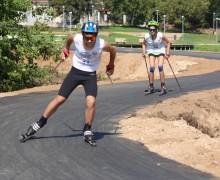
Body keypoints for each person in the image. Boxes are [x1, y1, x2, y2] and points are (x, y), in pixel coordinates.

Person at [20, 21, 116, 146]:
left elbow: (113, 50)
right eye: (87, 37)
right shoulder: (76, 38)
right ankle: (40, 122)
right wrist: (65, 49)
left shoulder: (101, 44)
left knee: (91, 101)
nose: (90, 40)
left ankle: (87, 130)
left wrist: (111, 65)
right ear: (82, 35)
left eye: (92, 37)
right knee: (60, 99)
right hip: (75, 72)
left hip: (90, 75)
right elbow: (69, 38)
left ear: (96, 36)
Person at [142, 20, 171, 94]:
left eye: (153, 29)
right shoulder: (147, 36)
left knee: (160, 66)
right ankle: (151, 86)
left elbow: (168, 42)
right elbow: (143, 44)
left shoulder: (160, 35)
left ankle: (163, 86)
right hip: (151, 50)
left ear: (156, 29)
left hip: (160, 50)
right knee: (152, 68)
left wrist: (167, 52)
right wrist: (144, 52)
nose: (152, 31)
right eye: (150, 29)